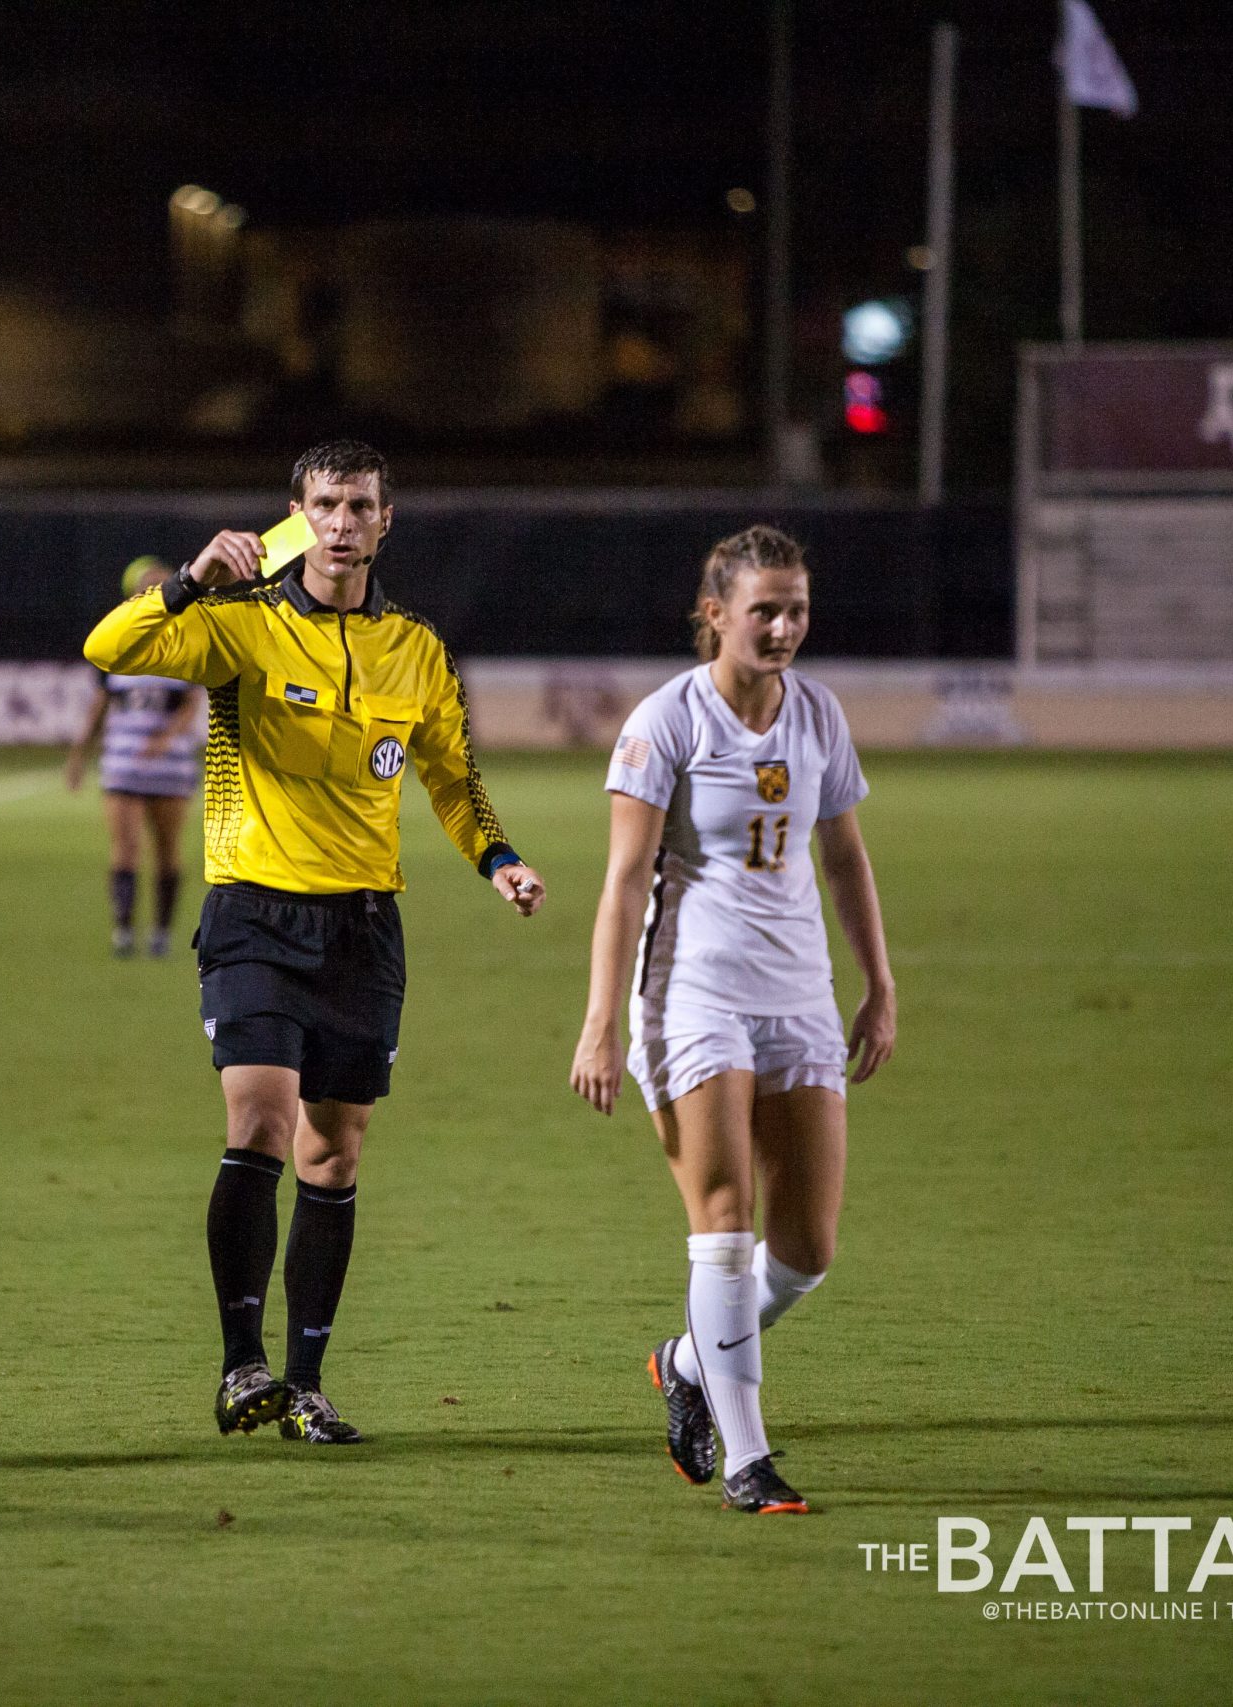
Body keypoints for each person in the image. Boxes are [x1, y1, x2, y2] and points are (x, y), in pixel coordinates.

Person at [83, 440, 545, 1445]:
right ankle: (238, 1363)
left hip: (363, 929)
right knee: (258, 1119)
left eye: (361, 505)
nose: (342, 522)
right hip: (254, 909)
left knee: (332, 1156)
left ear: (388, 521)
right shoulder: (238, 627)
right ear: (297, 513)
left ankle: (303, 1386)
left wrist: (496, 858)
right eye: (325, 504)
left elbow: (451, 776)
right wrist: (186, 583)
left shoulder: (417, 650)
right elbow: (107, 650)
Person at [568, 524, 896, 1514]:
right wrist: (597, 1021)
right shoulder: (667, 722)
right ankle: (750, 1461)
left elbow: (844, 857)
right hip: (690, 995)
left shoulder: (817, 715)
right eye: (765, 609)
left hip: (796, 994)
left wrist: (878, 984)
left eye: (796, 608)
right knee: (724, 1225)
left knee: (805, 1251)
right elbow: (624, 884)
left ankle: (686, 1360)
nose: (785, 626)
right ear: (714, 615)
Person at [65, 556, 206, 957]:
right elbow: (99, 706)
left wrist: (167, 738)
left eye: (162, 583)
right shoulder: (118, 643)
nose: (156, 589)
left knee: (167, 849)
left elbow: (192, 703)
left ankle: (161, 933)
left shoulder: (186, 640)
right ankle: (124, 930)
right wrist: (78, 756)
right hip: (123, 760)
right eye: (147, 584)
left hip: (171, 763)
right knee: (125, 847)